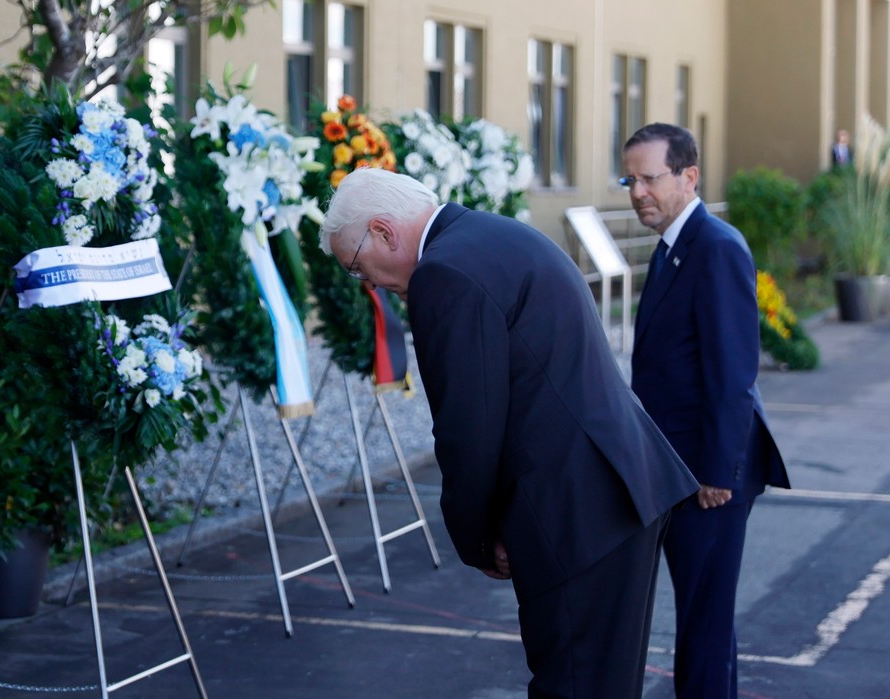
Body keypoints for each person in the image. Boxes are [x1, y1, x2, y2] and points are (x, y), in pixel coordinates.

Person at [319, 168, 700, 697]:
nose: (371, 284)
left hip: (575, 512)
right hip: (616, 491)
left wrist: (476, 538)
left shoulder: (443, 272)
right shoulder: (492, 234)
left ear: (384, 231)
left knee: (573, 686)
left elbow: (467, 429)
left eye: (359, 268)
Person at [623, 123, 790, 698]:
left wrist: (718, 472)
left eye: (650, 178)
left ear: (689, 176)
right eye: (631, 179)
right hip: (679, 468)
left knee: (705, 627)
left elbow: (733, 371)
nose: (638, 191)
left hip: (708, 477)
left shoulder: (715, 247)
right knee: (704, 625)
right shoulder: (674, 247)